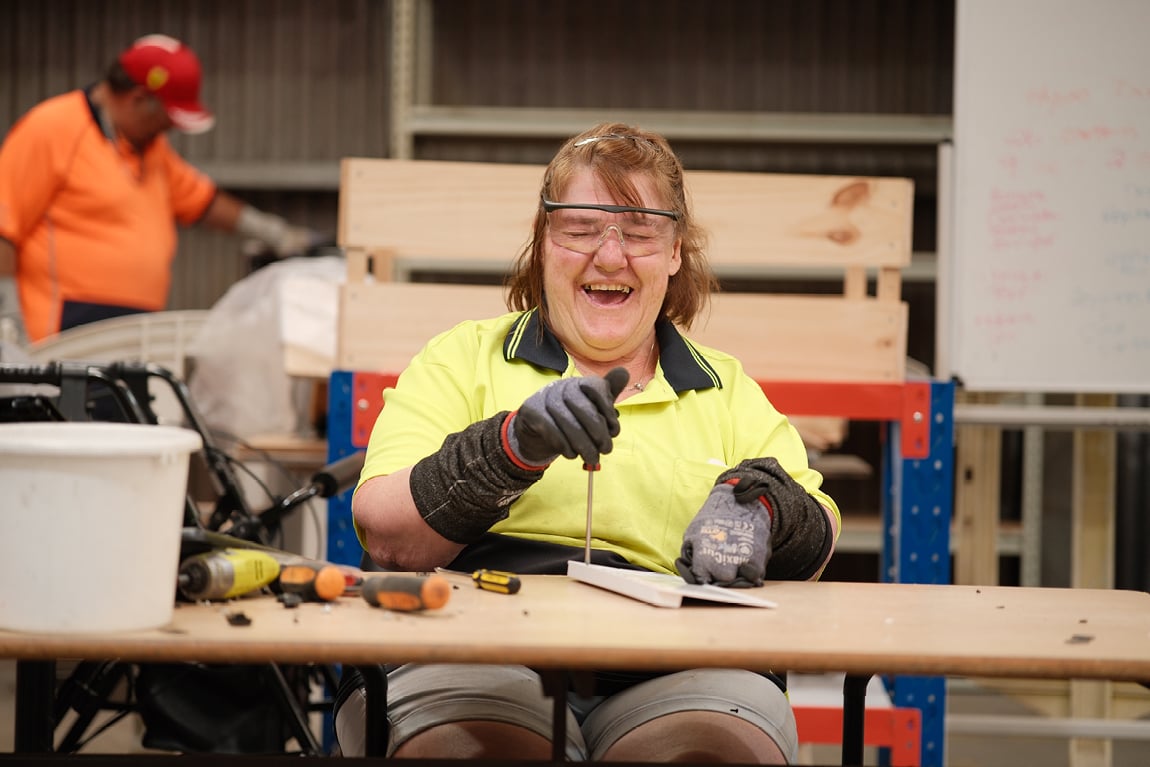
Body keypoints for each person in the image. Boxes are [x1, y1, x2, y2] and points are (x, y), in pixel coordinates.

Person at [335, 123, 841, 764]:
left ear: (676, 251)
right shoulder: (463, 358)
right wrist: (510, 447)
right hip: (471, 653)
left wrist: (766, 511)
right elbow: (386, 534)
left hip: (679, 670)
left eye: (640, 231)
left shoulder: (724, 388)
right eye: (579, 229)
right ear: (543, 245)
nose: (609, 256)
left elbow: (819, 535)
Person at [0, 33, 318, 343]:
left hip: (135, 328)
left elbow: (203, 201)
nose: (168, 132)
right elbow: (4, 227)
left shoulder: (151, 150)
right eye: (165, 121)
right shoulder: (52, 130)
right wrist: (11, 323)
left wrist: (276, 233)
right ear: (139, 98)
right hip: (67, 329)